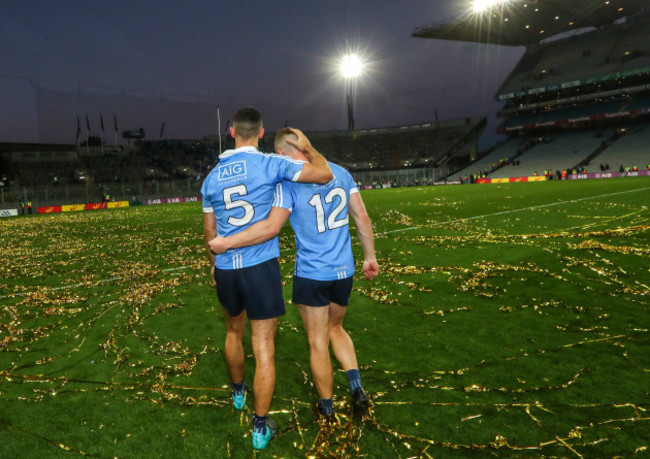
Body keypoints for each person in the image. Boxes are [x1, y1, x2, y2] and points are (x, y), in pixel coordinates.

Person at [209, 126, 379, 422]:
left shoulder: (287, 182)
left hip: (313, 272)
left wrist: (226, 243)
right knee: (336, 328)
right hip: (344, 270)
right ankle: (356, 387)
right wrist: (370, 256)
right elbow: (361, 217)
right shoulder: (339, 172)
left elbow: (271, 227)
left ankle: (327, 408)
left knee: (317, 341)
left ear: (281, 154)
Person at [201, 108, 332, 450]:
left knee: (233, 330)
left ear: (231, 131)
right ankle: (259, 428)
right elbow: (323, 173)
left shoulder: (211, 178)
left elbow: (209, 232)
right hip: (260, 267)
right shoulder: (272, 164)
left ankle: (238, 393)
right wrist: (306, 144)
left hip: (227, 267)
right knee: (263, 347)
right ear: (260, 133)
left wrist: (214, 264)